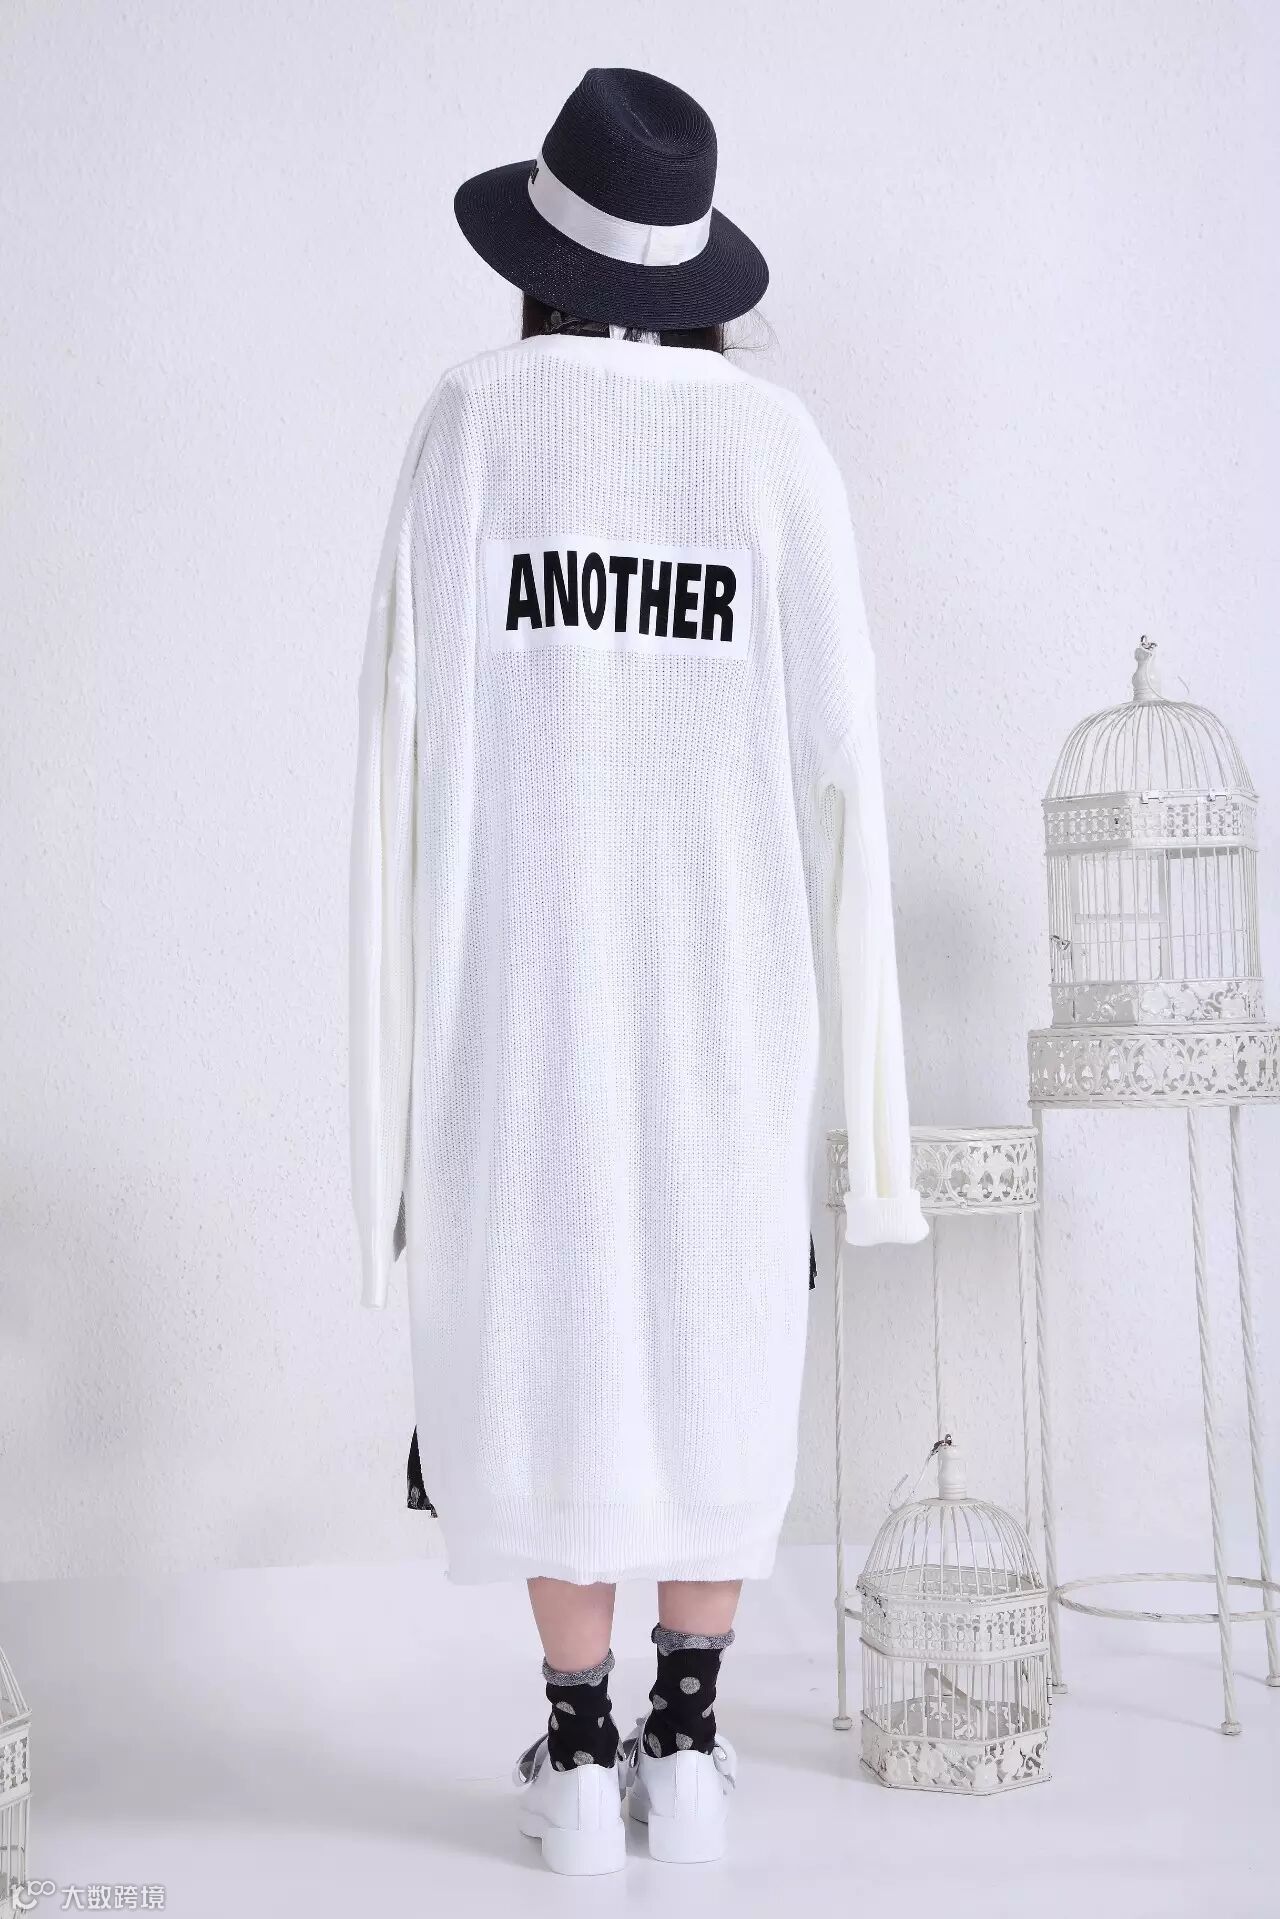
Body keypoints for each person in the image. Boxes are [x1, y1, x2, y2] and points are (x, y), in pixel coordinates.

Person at [349, 66, 927, 1876]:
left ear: (538, 260)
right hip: (730, 1005)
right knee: (710, 1335)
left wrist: (378, 1141)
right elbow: (852, 781)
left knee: (551, 1345)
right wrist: (879, 1145)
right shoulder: (778, 452)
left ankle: (579, 1748)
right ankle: (687, 1746)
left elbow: (394, 765)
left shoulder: (473, 423)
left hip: (513, 1009)